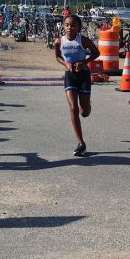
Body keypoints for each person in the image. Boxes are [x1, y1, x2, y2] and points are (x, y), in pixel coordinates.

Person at [54, 15, 100, 156]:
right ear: (63, 26)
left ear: (78, 27)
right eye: (67, 25)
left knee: (84, 112)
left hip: (84, 76)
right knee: (73, 107)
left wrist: (85, 62)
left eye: (73, 25)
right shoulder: (59, 41)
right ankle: (81, 143)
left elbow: (96, 53)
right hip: (70, 76)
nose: (70, 28)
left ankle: (87, 105)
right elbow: (57, 57)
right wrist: (66, 64)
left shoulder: (83, 40)